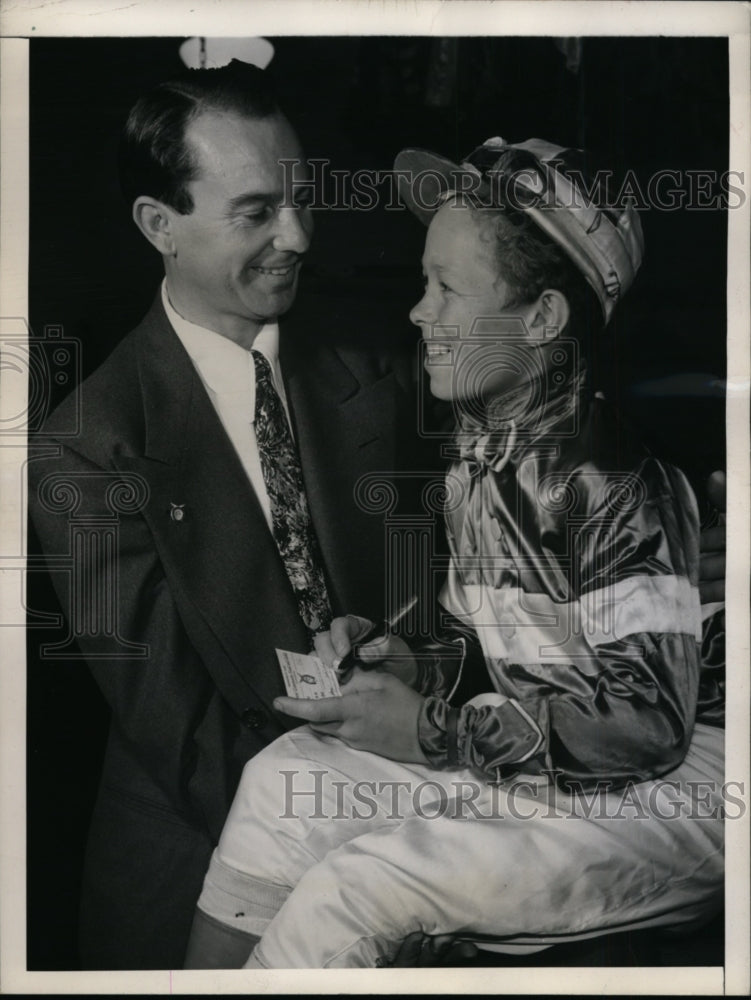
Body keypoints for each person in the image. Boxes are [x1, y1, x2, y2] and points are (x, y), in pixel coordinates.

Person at [185, 136, 726, 968]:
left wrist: (432, 732)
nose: (418, 312)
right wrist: (417, 668)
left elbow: (644, 725)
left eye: (446, 288)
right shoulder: (482, 456)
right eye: (422, 283)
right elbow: (513, 662)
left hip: (692, 777)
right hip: (575, 754)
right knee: (281, 781)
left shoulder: (613, 480)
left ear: (542, 320)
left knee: (362, 886)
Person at [27, 61, 418, 970]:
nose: (297, 236)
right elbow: (183, 732)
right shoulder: (83, 449)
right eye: (255, 212)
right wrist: (357, 840)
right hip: (202, 877)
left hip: (410, 851)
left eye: (300, 200)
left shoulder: (385, 367)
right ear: (159, 225)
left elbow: (438, 599)